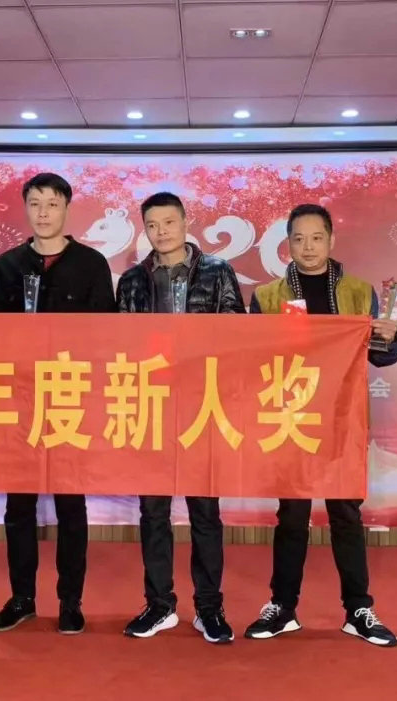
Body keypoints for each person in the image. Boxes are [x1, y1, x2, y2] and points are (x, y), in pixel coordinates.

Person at [245, 203, 397, 647]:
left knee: (346, 515)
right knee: (291, 517)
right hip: (292, 418)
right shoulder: (267, 297)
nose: (308, 247)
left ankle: (359, 609)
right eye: (299, 239)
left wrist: (391, 338)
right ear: (288, 244)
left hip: (342, 419)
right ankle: (282, 607)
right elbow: (253, 359)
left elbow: (379, 355)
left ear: (331, 240)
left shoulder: (359, 292)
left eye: (317, 238)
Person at [0, 172, 116, 635]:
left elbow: (106, 337)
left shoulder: (91, 264)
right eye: (35, 203)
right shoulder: (8, 265)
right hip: (20, 402)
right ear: (26, 209)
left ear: (66, 209)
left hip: (69, 400)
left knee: (70, 506)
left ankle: (70, 601)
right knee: (17, 506)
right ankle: (21, 598)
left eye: (52, 204)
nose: (43, 213)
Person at [116, 192, 245, 644]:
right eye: (152, 225)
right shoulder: (132, 280)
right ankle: (159, 605)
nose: (161, 231)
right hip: (151, 406)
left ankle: (209, 608)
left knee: (204, 512)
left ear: (186, 222)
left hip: (201, 405)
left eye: (169, 222)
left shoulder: (217, 271)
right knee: (153, 512)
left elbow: (236, 332)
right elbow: (119, 345)